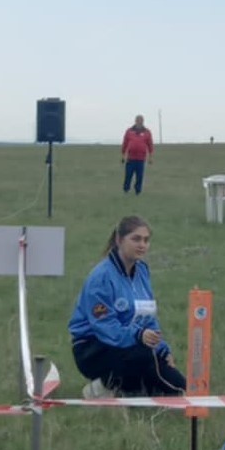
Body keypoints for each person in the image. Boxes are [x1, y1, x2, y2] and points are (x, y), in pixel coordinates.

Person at [69, 215, 186, 398]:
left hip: (133, 346)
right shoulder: (101, 277)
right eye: (136, 239)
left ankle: (138, 390)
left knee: (174, 380)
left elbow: (149, 317)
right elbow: (105, 327)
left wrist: (163, 349)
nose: (142, 245)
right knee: (145, 356)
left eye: (146, 240)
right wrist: (138, 335)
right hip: (93, 348)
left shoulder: (142, 271)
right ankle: (101, 387)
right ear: (119, 240)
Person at [121, 115, 155, 194]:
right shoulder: (129, 131)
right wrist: (123, 154)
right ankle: (126, 189)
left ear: (143, 121)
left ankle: (138, 191)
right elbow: (125, 143)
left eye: (141, 120)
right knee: (128, 175)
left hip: (141, 159)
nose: (139, 121)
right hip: (130, 158)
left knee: (140, 176)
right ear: (135, 121)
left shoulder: (147, 132)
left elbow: (150, 145)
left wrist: (150, 157)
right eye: (138, 120)